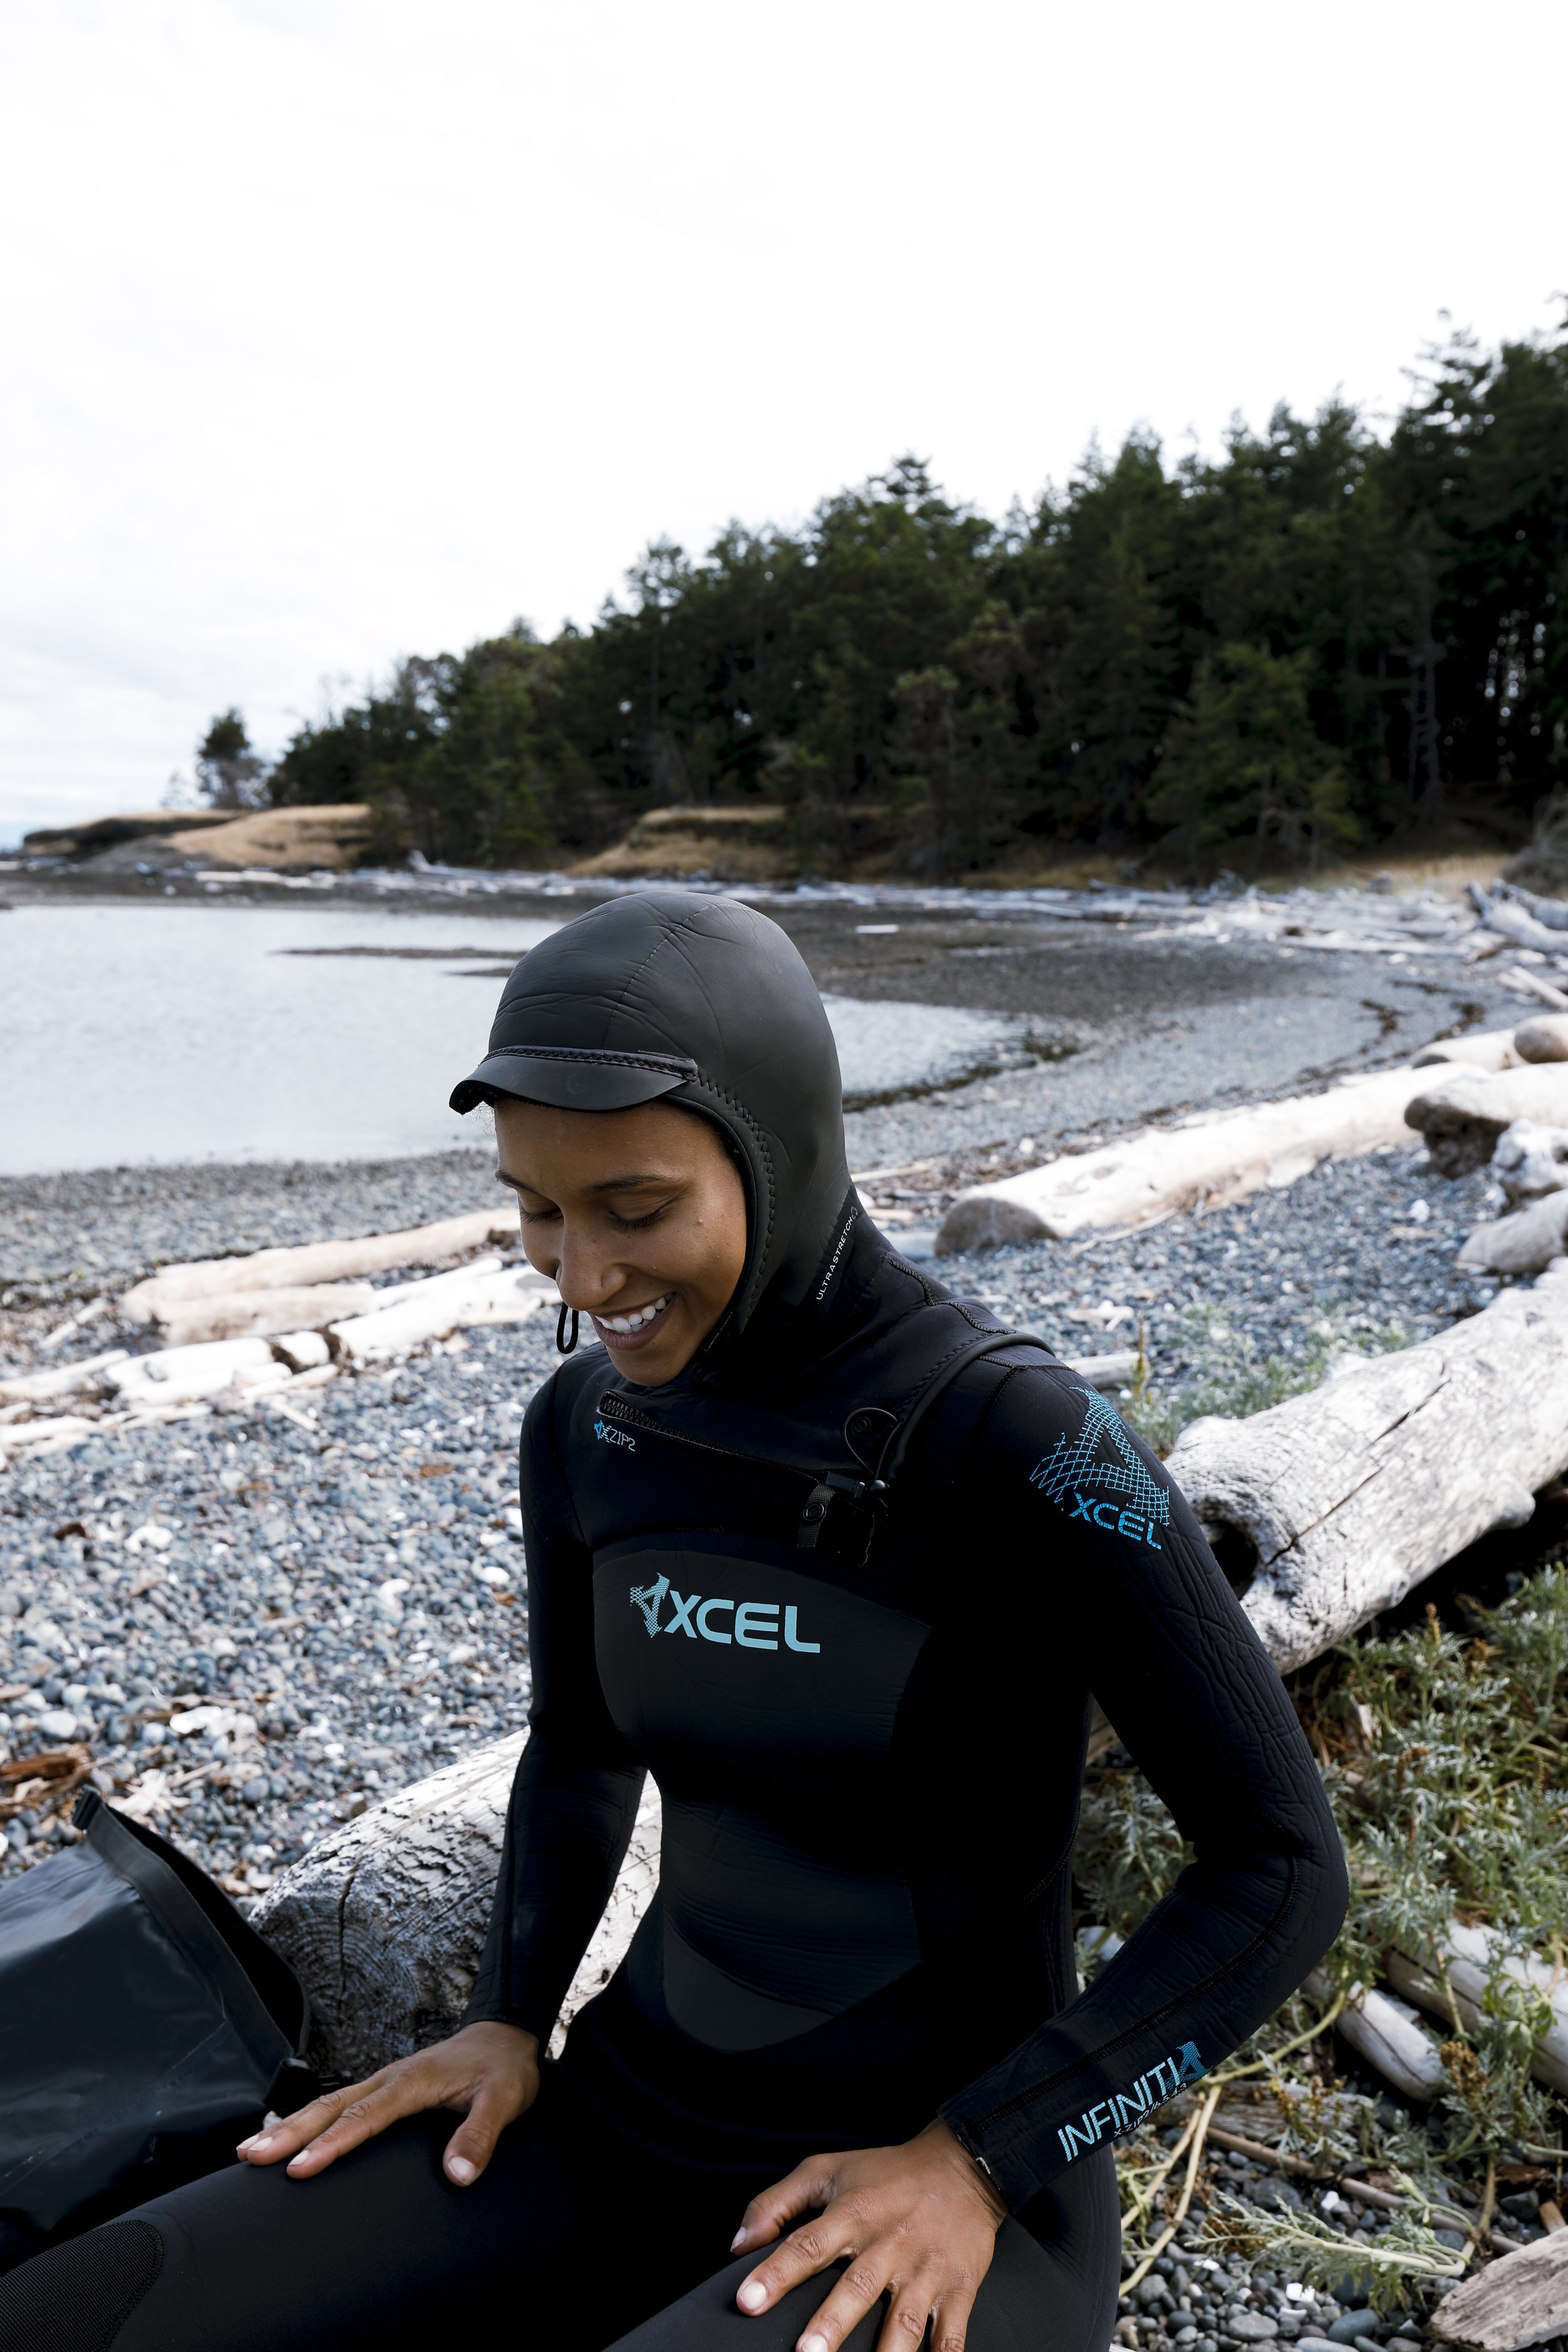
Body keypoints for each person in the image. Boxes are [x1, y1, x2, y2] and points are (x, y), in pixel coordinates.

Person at [0, 891, 1347, 2352]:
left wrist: (982, 2156)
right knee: (78, 2316)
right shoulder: (587, 1430)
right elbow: (579, 1754)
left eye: (633, 1210)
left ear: (778, 1153)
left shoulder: (1030, 1440)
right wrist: (510, 2019)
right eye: (535, 1208)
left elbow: (1278, 1871)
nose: (581, 1281)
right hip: (618, 2121)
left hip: (936, 2197)